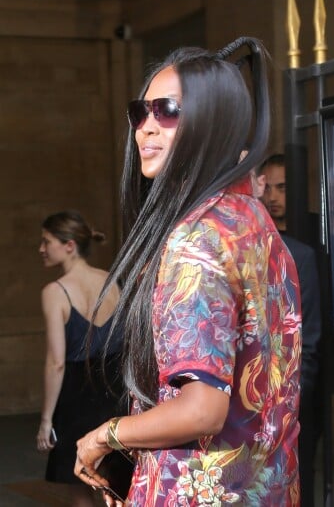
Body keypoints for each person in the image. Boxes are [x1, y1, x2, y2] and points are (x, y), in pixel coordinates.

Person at [74, 38, 302, 506]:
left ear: (212, 122)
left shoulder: (195, 239)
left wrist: (104, 436)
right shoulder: (253, 222)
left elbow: (202, 411)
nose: (146, 129)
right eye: (142, 113)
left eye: (168, 111)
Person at [36, 210, 123, 507]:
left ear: (69, 245)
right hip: (116, 392)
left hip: (76, 398)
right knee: (117, 483)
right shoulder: (112, 280)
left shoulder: (54, 292)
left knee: (79, 487)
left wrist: (46, 421)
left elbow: (56, 363)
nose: (41, 249)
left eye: (47, 241)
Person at [258, 154, 321, 507]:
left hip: (290, 400)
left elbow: (310, 338)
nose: (272, 196)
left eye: (282, 187)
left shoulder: (305, 250)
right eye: (269, 186)